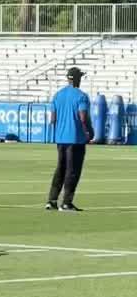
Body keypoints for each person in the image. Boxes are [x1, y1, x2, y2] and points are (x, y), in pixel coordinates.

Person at [45, 66, 93, 211]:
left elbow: (52, 119)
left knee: (60, 169)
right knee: (72, 171)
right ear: (78, 78)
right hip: (76, 139)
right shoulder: (81, 96)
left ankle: (52, 201)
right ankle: (66, 202)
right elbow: (83, 117)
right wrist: (89, 131)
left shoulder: (58, 95)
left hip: (60, 139)